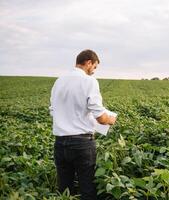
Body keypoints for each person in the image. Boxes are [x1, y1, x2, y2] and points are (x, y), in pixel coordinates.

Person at [49, 49, 116, 200]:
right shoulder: (88, 81)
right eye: (95, 67)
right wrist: (110, 119)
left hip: (60, 143)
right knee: (87, 188)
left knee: (64, 190)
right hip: (82, 144)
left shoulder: (59, 81)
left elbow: (53, 110)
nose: (94, 71)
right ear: (88, 62)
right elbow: (100, 117)